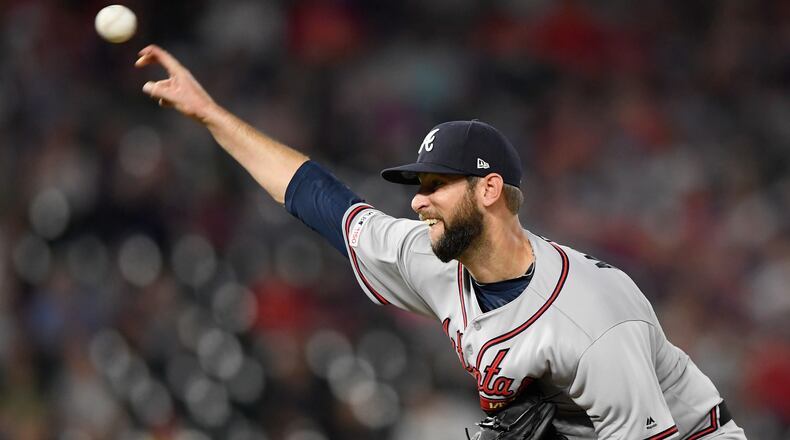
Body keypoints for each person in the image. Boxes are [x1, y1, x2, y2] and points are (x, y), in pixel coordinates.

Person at [135, 44, 747, 439]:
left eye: (435, 185)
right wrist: (212, 115)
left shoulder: (591, 321)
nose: (418, 200)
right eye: (418, 186)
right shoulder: (433, 260)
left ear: (488, 191)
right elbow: (320, 200)